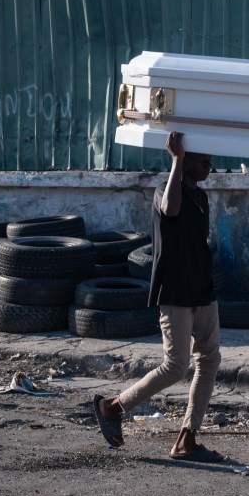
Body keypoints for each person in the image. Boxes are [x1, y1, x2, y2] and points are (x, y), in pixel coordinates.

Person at [93, 131, 224, 462]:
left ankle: (187, 439)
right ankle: (112, 407)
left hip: (202, 290)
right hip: (176, 292)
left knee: (209, 359)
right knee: (176, 366)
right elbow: (170, 210)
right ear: (184, 158)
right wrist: (177, 158)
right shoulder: (163, 192)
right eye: (200, 158)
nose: (209, 163)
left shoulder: (202, 197)